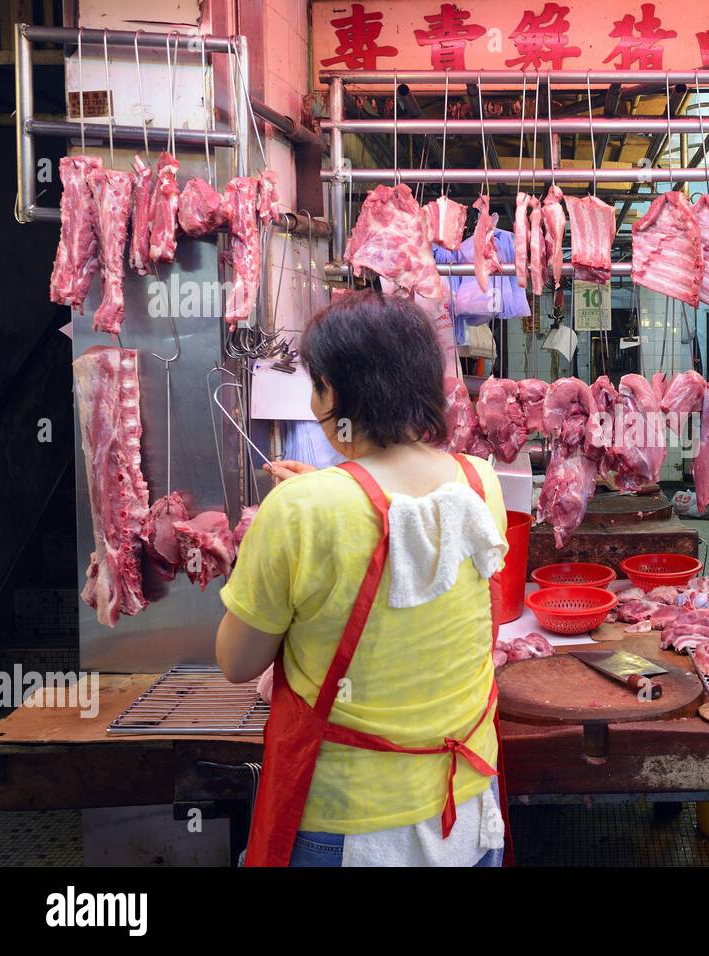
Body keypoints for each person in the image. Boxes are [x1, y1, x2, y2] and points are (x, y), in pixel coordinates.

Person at [216, 291, 510, 867]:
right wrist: (321, 493)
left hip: (348, 827)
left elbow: (237, 662)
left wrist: (295, 517)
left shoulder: (301, 510)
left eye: (315, 385)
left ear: (334, 393)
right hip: (471, 810)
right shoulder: (480, 483)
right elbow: (395, 513)